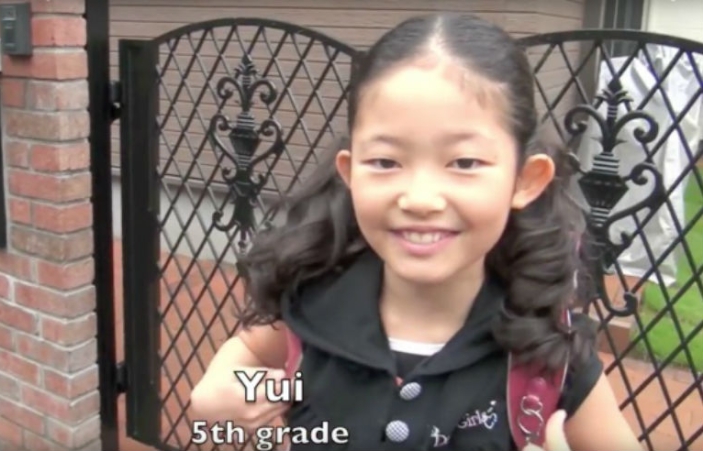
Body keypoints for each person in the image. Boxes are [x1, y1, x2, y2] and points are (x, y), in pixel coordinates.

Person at [190, 13, 642, 451]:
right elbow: (247, 351)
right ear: (350, 173)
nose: (421, 198)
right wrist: (214, 395)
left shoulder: (549, 355)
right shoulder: (315, 308)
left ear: (525, 181)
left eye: (464, 163)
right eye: (385, 162)